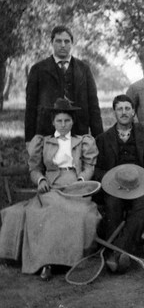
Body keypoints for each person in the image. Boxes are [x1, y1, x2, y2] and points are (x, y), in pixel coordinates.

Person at [0, 98, 100, 280]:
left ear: (73, 122)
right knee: (48, 211)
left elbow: (89, 167)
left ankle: (68, 260)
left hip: (76, 186)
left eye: (67, 121)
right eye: (59, 121)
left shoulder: (82, 141)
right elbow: (35, 168)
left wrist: (81, 180)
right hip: (52, 186)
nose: (63, 125)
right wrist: (40, 180)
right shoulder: (43, 142)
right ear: (53, 122)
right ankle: (45, 262)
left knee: (79, 212)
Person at [93, 94, 144, 272]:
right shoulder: (103, 139)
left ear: (133, 112)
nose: (124, 112)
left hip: (140, 186)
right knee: (112, 204)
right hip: (115, 188)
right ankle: (120, 254)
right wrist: (110, 181)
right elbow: (97, 169)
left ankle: (115, 253)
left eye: (127, 109)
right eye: (119, 109)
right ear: (114, 113)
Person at [25, 25, 103, 145]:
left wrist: (99, 138)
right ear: (52, 42)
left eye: (67, 41)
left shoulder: (84, 69)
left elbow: (93, 106)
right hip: (47, 134)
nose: (63, 45)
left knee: (78, 163)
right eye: (58, 41)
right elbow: (30, 107)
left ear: (72, 43)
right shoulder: (38, 69)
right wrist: (29, 139)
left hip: (79, 134)